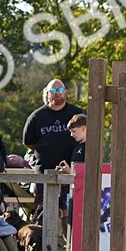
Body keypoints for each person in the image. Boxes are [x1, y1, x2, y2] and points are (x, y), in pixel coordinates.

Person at [23, 79, 84, 220]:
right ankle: (41, 240)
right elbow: (29, 142)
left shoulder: (76, 113)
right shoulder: (36, 116)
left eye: (60, 91)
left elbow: (87, 137)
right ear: (47, 93)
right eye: (54, 91)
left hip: (71, 170)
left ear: (66, 92)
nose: (58, 94)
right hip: (44, 170)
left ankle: (66, 241)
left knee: (69, 208)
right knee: (44, 208)